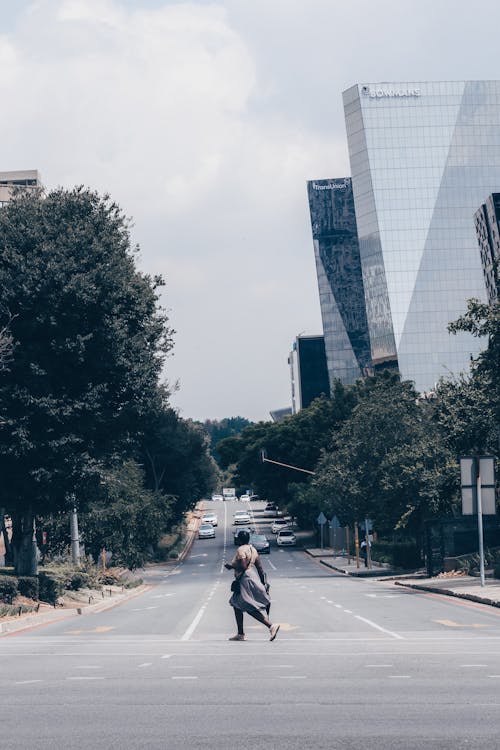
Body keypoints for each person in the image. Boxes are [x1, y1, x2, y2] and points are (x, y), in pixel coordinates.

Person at [225, 529, 279, 642]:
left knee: (247, 606)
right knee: (236, 604)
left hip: (244, 580)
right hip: (252, 577)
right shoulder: (253, 550)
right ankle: (240, 633)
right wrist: (263, 583)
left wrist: (231, 566)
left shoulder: (241, 550)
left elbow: (243, 566)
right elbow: (260, 568)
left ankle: (271, 626)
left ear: (239, 539)